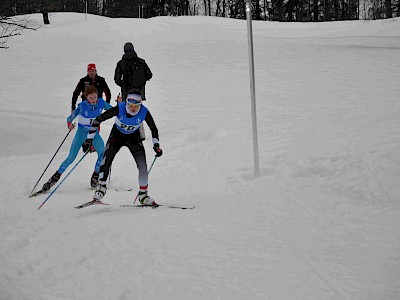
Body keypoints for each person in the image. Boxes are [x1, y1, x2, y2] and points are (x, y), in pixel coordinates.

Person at [83, 89, 162, 206]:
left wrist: (156, 145)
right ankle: (101, 187)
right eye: (130, 105)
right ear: (126, 103)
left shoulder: (144, 111)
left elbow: (153, 129)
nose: (133, 108)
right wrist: (89, 139)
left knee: (142, 165)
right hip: (117, 136)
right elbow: (98, 120)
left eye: (136, 105)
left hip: (134, 138)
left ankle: (143, 195)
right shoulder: (120, 108)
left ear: (140, 104)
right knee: (106, 159)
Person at [42, 86, 113, 192]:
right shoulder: (82, 106)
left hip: (94, 134)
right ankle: (54, 178)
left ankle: (95, 176)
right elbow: (70, 118)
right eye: (91, 98)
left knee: (102, 154)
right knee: (71, 157)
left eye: (95, 97)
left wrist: (121, 105)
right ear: (86, 97)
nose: (93, 100)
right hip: (81, 133)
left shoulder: (101, 103)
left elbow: (114, 110)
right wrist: (69, 124)